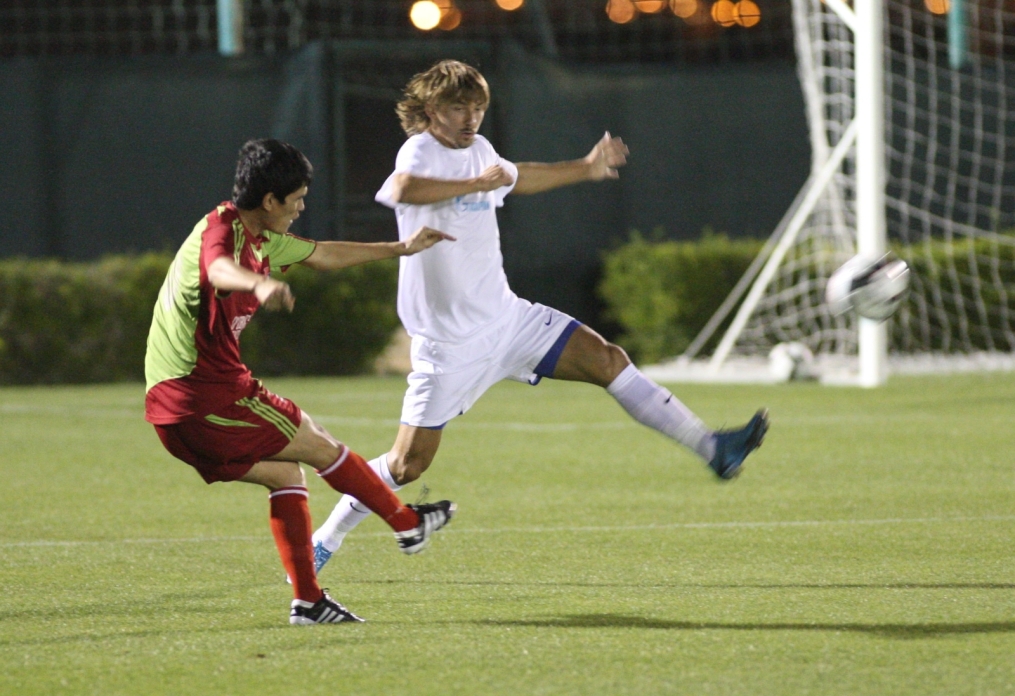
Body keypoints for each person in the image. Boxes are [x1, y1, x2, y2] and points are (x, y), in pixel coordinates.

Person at [311, 60, 769, 573]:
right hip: (450, 344)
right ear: (431, 110)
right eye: (459, 107)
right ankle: (324, 539)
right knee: (406, 465)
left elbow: (516, 176)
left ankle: (714, 448)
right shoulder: (421, 148)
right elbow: (402, 189)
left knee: (607, 359)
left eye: (478, 107)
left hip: (507, 320)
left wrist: (587, 166)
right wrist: (472, 185)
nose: (471, 117)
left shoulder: (480, 151)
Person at [144, 138, 457, 625]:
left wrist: (401, 248)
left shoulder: (264, 238)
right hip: (206, 397)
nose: (302, 207)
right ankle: (406, 524)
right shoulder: (219, 231)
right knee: (318, 443)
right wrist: (259, 283)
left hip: (175, 414)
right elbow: (219, 269)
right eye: (296, 200)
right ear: (269, 201)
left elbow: (324, 254)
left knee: (287, 474)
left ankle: (309, 603)